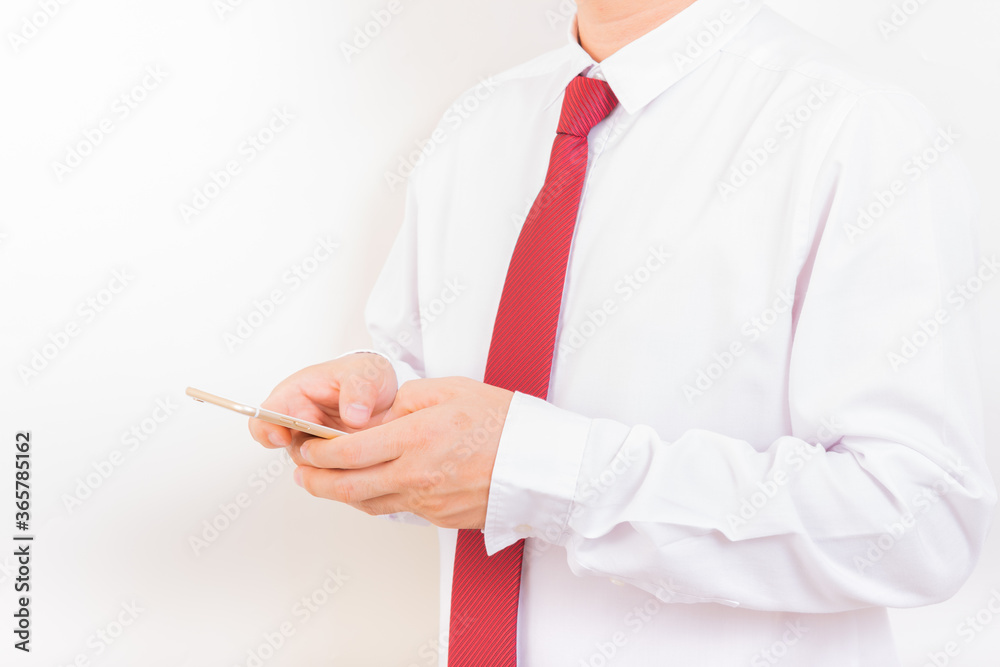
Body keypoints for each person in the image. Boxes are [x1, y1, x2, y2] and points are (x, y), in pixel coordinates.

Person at [249, 0, 996, 664]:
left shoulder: (852, 129)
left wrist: (543, 473)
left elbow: (917, 524)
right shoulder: (477, 124)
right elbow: (443, 411)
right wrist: (371, 411)